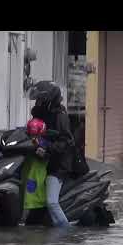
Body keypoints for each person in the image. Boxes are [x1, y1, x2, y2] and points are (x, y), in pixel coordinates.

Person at [28, 81, 75, 228]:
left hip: (58, 164)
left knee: (51, 202)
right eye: (37, 100)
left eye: (41, 100)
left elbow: (66, 141)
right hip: (43, 161)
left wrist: (48, 149)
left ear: (49, 100)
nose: (38, 102)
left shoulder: (60, 117)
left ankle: (66, 233)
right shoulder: (43, 115)